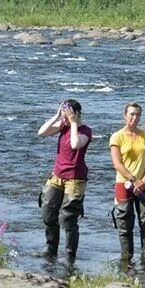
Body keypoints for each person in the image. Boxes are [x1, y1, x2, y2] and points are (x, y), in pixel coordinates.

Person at [37, 99, 91, 259]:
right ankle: (51, 249)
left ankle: (70, 255)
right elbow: (42, 133)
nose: (65, 118)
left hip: (75, 179)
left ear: (77, 114)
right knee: (48, 212)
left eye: (68, 114)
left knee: (68, 218)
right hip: (57, 176)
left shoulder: (85, 131)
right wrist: (56, 116)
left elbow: (75, 144)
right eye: (64, 114)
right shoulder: (63, 126)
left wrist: (74, 123)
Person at [109, 101, 145, 269]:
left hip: (144, 184)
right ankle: (126, 263)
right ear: (125, 116)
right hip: (124, 184)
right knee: (125, 225)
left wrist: (143, 180)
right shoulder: (117, 136)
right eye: (132, 114)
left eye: (138, 114)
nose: (135, 118)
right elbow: (117, 164)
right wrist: (133, 179)